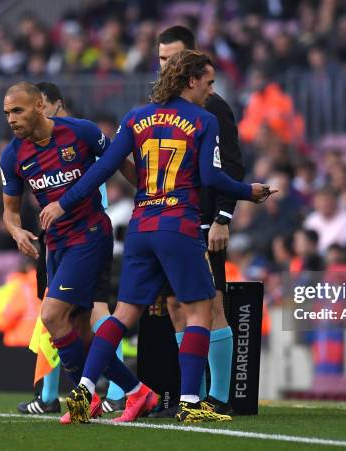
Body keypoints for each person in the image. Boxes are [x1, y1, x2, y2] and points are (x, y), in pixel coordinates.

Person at [39, 50, 274, 423]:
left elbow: (104, 168)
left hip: (141, 226)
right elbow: (211, 178)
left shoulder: (135, 117)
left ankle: (83, 390)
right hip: (179, 225)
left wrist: (62, 204)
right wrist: (250, 192)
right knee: (199, 312)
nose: (211, 90)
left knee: (121, 316)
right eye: (209, 82)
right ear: (191, 81)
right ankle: (191, 403)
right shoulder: (203, 120)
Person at [0, 81, 141, 424]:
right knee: (78, 329)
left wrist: (146, 191)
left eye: (17, 111)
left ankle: (82, 396)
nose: (11, 119)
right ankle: (137, 392)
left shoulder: (80, 132)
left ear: (39, 106)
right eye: (7, 113)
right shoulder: (12, 155)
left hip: (90, 234)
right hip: (56, 244)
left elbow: (117, 160)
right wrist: (15, 229)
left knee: (51, 316)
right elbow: (10, 210)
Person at [151, 25, 245, 417]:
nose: (163, 65)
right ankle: (195, 396)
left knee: (211, 305)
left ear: (188, 60)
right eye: (159, 59)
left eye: (171, 58)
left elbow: (233, 165)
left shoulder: (213, 105)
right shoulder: (161, 105)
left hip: (203, 224)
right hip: (168, 223)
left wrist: (223, 218)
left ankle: (220, 397)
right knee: (176, 306)